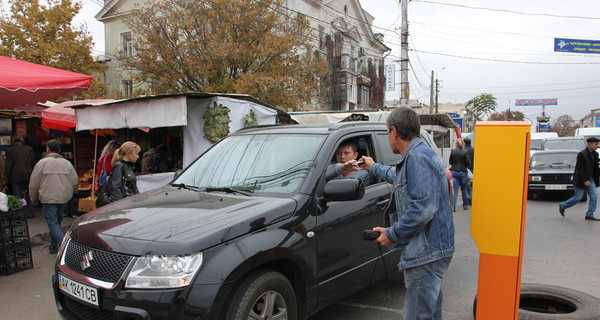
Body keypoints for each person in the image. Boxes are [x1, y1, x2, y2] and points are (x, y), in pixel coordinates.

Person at [359, 107, 454, 320]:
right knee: (429, 314)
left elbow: (423, 208)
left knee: (419, 316)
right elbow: (399, 176)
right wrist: (373, 167)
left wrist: (392, 234)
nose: (387, 139)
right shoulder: (418, 155)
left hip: (426, 253)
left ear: (394, 131)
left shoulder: (417, 157)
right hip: (432, 250)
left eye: (386, 133)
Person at [29, 140, 78, 254]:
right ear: (59, 150)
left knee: (52, 223)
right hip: (63, 197)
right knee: (56, 222)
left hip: (48, 197)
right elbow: (75, 181)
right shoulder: (67, 163)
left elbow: (34, 183)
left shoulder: (42, 163)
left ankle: (66, 246)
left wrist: (33, 198)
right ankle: (53, 247)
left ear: (47, 149)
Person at [558, 137, 600, 221]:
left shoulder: (595, 154)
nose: (597, 146)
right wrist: (585, 180)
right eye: (595, 144)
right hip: (581, 179)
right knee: (578, 197)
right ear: (589, 144)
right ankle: (563, 205)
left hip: (590, 179)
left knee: (594, 197)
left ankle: (589, 214)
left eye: (597, 144)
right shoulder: (582, 154)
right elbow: (579, 169)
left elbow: (595, 168)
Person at [4, 135, 36, 218]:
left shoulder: (10, 150)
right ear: (22, 141)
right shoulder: (29, 149)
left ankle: (20, 213)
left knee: (18, 196)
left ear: (14, 141)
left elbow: (8, 165)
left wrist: (5, 177)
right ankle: (31, 212)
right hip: (29, 176)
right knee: (29, 195)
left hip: (15, 176)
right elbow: (33, 162)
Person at [449, 138, 472, 211]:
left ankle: (454, 206)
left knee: (455, 190)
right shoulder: (465, 151)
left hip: (454, 171)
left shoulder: (453, 151)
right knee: (464, 189)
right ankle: (465, 205)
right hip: (463, 172)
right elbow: (468, 163)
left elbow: (450, 162)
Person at [464, 137, 474, 206]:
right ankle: (470, 196)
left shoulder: (463, 150)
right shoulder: (473, 150)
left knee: (466, 185)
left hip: (465, 169)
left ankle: (467, 197)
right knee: (472, 184)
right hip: (472, 169)